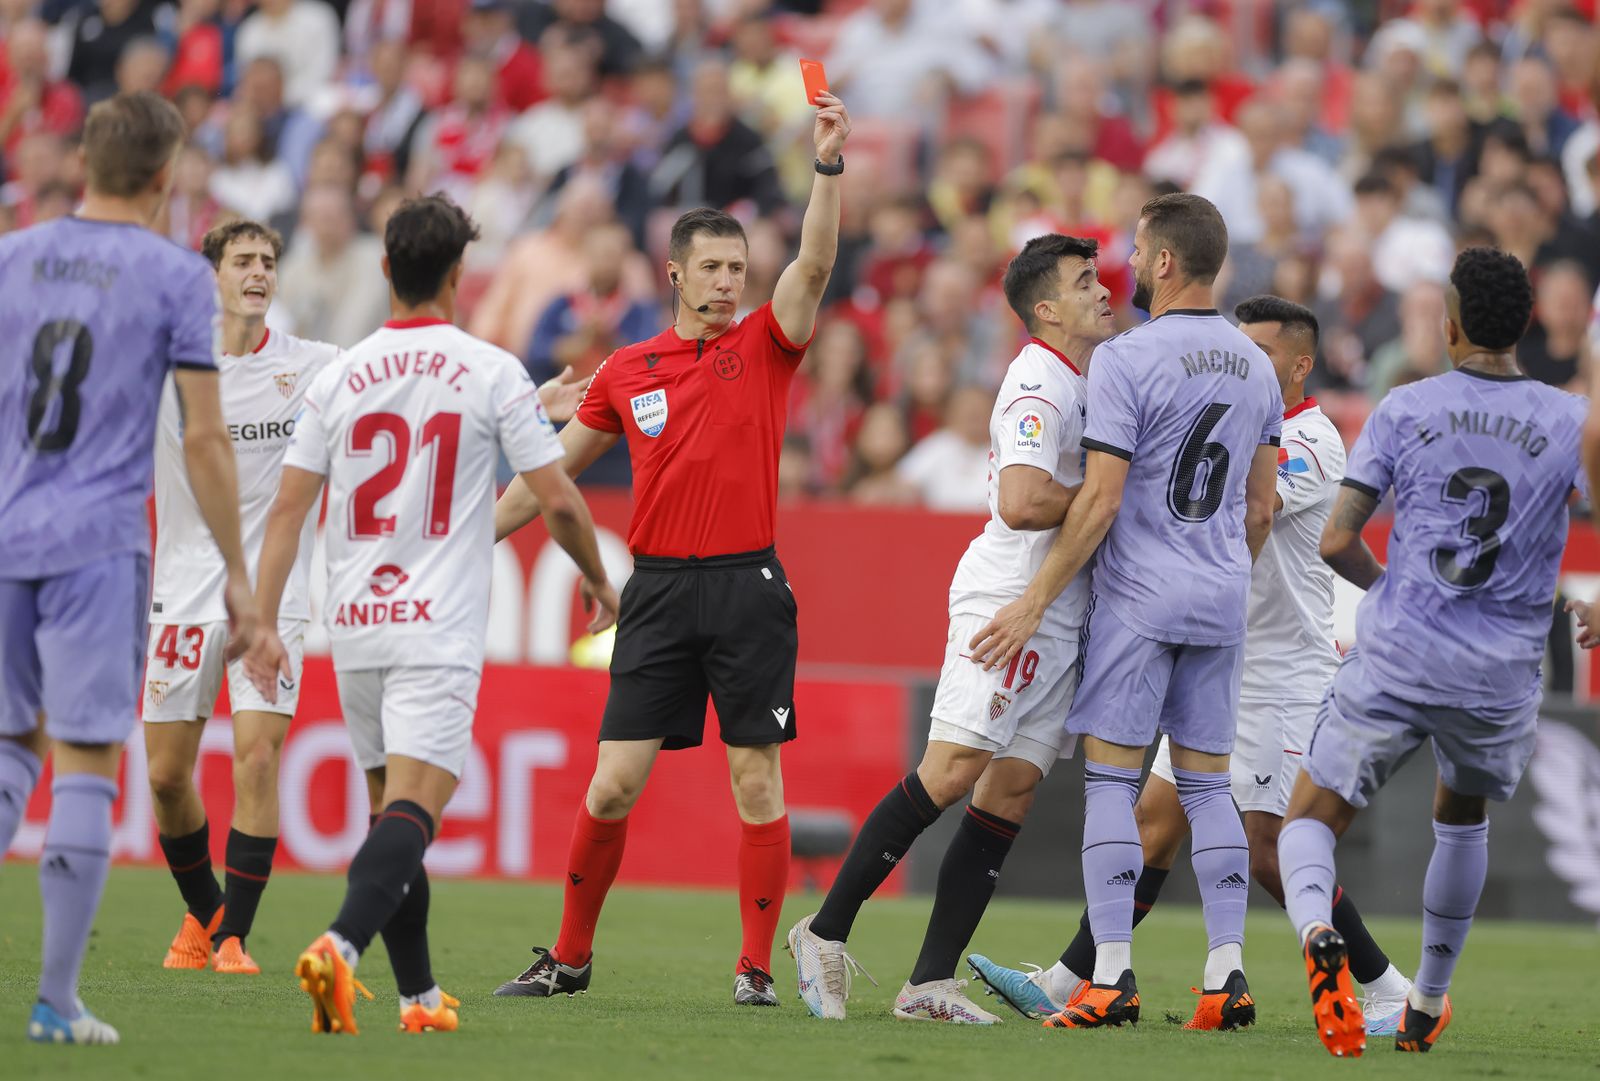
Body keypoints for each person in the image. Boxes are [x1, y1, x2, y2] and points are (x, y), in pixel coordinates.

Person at [490, 92, 853, 1007]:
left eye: (738, 266)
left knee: (755, 780)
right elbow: (550, 475)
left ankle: (756, 968)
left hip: (746, 588)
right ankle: (570, 960)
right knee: (612, 786)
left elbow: (813, 262)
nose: (731, 281)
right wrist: (466, 538)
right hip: (653, 593)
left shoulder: (770, 345)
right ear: (677, 274)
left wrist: (827, 167)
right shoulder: (626, 369)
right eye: (715, 268)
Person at [967, 296, 1412, 1035]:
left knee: (1271, 846)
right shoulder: (1252, 411)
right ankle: (1071, 977)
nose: (1244, 368)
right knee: (1151, 823)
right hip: (1218, 652)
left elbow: (1243, 499)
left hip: (1279, 671)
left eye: (1262, 356)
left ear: (1301, 365)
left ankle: (1387, 984)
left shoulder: (1313, 441)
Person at [241, 194, 620, 1036]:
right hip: (437, 626)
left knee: (389, 816)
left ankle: (417, 997)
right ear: (459, 274)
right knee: (416, 812)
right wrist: (599, 579)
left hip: (356, 624)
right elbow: (556, 498)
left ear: (385, 271)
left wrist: (267, 622)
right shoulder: (489, 370)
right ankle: (340, 946)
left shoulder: (338, 374)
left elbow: (286, 511)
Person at [967, 193, 1282, 1030]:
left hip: (1141, 596)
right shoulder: (1257, 363)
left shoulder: (1126, 359)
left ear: (1168, 263)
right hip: (1221, 598)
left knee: (1112, 781)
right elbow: (1260, 507)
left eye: (1139, 252)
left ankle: (1110, 975)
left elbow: (1101, 499)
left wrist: (1035, 599)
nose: (1129, 268)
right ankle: (1226, 977)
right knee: (1209, 790)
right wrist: (1221, 575)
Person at [787, 234, 1116, 1024]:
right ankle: (821, 930)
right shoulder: (1038, 381)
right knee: (953, 766)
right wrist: (1108, 495)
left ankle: (928, 983)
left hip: (1059, 608)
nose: (1104, 290)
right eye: (1084, 281)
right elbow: (1021, 500)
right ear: (1047, 309)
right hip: (1010, 598)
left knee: (1010, 792)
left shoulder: (1083, 377)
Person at [1279, 247, 1587, 1058]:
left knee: (1310, 818)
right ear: (1524, 324)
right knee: (1461, 815)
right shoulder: (1569, 421)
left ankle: (1318, 931)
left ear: (1449, 327)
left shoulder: (1404, 407)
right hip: (1499, 671)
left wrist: (1384, 586)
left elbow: (1337, 538)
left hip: (1402, 649)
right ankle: (1428, 1000)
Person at [0, 91, 257, 1044]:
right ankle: (57, 1000)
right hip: (97, 545)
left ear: (80, 165)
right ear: (163, 177)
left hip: (6, 531)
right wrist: (237, 571)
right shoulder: (172, 277)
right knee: (87, 756)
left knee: (5, 747)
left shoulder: (10, 258)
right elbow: (203, 437)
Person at [143, 220, 338, 979]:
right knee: (165, 775)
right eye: (244, 261)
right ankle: (207, 911)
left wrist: (525, 396)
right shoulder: (168, 365)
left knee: (258, 756)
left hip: (271, 591)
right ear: (213, 277)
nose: (259, 272)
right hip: (182, 589)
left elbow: (405, 382)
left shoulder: (313, 366)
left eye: (268, 261)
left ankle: (233, 940)